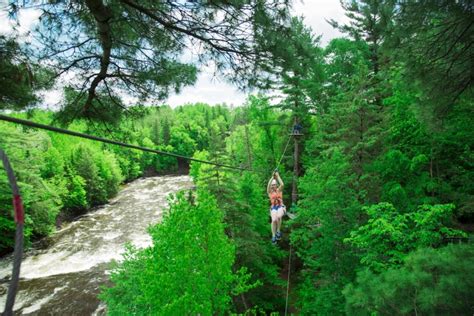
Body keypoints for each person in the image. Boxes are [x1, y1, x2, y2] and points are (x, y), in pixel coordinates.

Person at [267, 171, 286, 244]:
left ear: (276, 185)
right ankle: (273, 235)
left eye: (274, 185)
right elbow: (268, 185)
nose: (273, 186)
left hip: (280, 206)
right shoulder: (269, 192)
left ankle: (278, 231)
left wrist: (277, 176)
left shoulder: (279, 190)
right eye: (272, 185)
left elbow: (282, 184)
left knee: (278, 217)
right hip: (273, 207)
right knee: (274, 220)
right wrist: (272, 177)